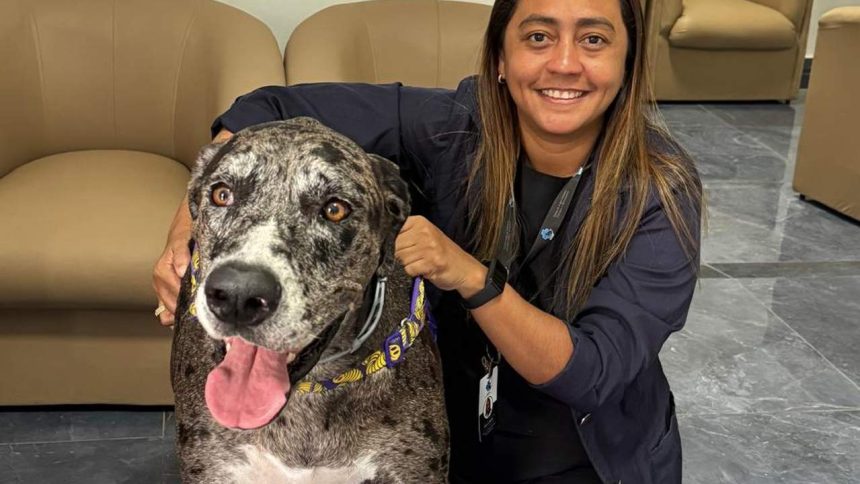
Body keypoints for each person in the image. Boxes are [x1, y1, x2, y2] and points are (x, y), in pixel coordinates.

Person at [153, 0, 702, 482]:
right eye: (538, 36)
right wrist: (189, 233)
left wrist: (471, 278)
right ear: (499, 61)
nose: (563, 62)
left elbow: (593, 372)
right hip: (453, 425)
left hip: (581, 450)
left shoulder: (660, 191)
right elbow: (263, 109)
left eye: (594, 39)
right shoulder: (454, 124)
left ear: (628, 63)